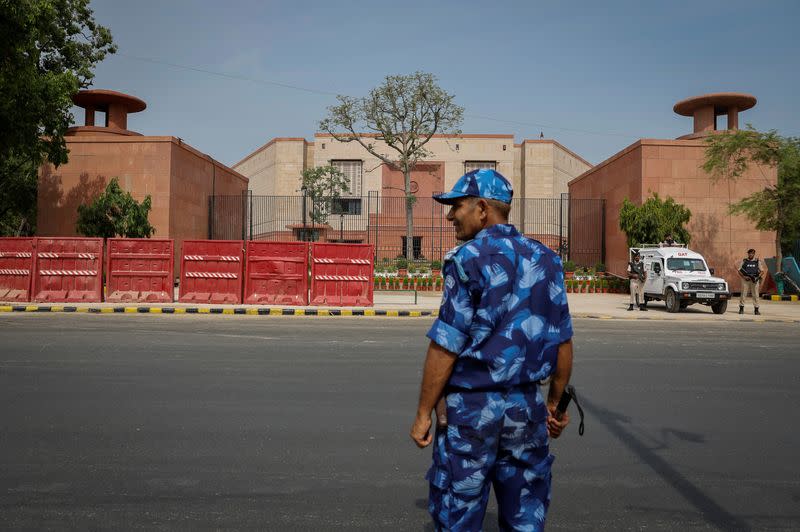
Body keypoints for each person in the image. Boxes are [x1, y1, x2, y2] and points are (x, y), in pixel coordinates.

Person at [409, 168, 574, 531]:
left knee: (458, 516)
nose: (450, 215)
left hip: (471, 411)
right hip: (526, 411)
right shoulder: (546, 260)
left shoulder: (466, 259)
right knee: (525, 518)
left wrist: (423, 412)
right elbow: (563, 341)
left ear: (482, 208)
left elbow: (446, 345)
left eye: (457, 206)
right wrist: (554, 405)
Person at [738, 248, 764, 315]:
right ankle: (741, 308)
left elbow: (762, 271)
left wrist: (757, 278)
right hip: (746, 280)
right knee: (743, 294)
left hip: (754, 280)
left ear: (754, 254)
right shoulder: (744, 261)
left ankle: (756, 310)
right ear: (748, 254)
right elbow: (739, 270)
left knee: (755, 295)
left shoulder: (757, 261)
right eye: (749, 253)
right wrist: (744, 277)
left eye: (752, 253)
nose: (751, 254)